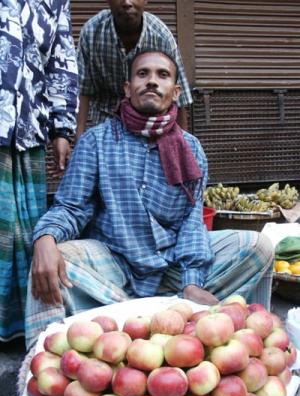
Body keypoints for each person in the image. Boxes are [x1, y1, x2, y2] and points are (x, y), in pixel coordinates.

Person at [25, 50, 274, 350]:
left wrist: (191, 281)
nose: (152, 81)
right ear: (128, 89)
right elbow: (71, 207)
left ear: (175, 91)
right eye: (143, 74)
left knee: (258, 247)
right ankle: (42, 360)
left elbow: (191, 223)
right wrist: (45, 237)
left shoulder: (191, 150)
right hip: (114, 263)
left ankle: (248, 343)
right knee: (53, 259)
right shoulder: (97, 141)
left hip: (169, 263)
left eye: (162, 75)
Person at [0, 0, 78, 342]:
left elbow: (61, 63)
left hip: (27, 131)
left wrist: (62, 129)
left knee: (23, 232)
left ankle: (17, 327)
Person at [76, 0, 193, 138]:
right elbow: (82, 89)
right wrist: (79, 138)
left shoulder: (161, 36)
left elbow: (179, 99)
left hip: (151, 123)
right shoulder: (92, 32)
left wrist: (182, 143)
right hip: (105, 121)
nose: (127, 2)